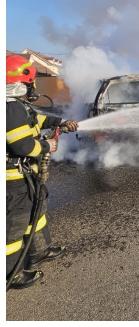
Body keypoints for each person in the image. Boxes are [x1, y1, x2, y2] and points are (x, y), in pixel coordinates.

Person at [6, 54, 77, 289]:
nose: (33, 87)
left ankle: (39, 252)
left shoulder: (19, 106)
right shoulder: (10, 108)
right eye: (30, 83)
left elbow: (38, 118)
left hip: (26, 177)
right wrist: (48, 146)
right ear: (21, 83)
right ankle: (11, 274)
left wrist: (59, 122)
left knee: (37, 214)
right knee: (14, 228)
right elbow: (23, 146)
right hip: (13, 181)